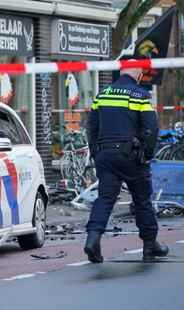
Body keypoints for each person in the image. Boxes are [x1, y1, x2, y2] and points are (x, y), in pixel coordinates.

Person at [85, 56, 169, 263]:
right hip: (131, 157)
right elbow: (150, 128)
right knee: (142, 200)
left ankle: (92, 239)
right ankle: (150, 245)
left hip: (105, 156)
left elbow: (91, 128)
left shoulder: (102, 95)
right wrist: (147, 154)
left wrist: (96, 153)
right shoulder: (140, 95)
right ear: (139, 74)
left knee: (105, 198)